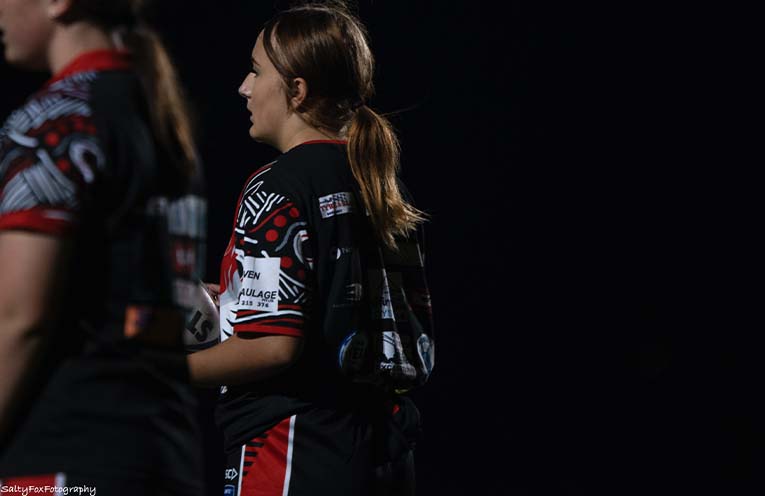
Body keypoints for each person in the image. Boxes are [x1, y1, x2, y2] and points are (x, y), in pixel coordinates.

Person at [187, 3, 434, 495]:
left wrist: (152, 371)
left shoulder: (277, 185)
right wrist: (238, 301)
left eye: (257, 71)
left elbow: (273, 345)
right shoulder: (384, 185)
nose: (244, 87)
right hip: (385, 451)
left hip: (295, 444)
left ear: (296, 90)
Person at [0, 0, 206, 494]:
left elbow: (19, 319)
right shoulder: (160, 116)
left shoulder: (54, 120)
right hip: (167, 455)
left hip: (64, 458)